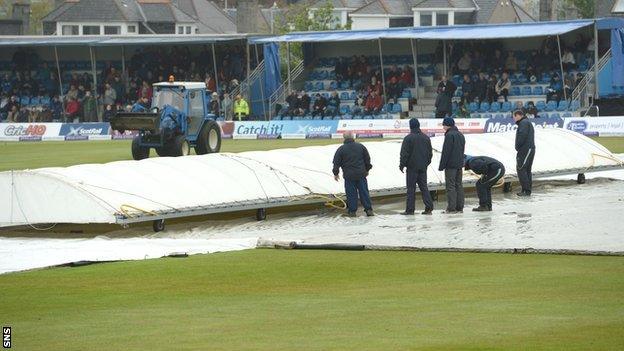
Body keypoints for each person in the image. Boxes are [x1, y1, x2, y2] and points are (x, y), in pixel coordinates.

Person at [332, 132, 374, 217]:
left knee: (351, 194)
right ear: (353, 137)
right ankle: (369, 210)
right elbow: (367, 160)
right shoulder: (361, 146)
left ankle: (352, 211)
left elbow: (336, 163)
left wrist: (336, 173)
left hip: (349, 175)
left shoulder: (341, 149)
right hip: (361, 174)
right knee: (364, 192)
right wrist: (367, 170)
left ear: (344, 138)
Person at [399, 118, 434, 215]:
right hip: (423, 167)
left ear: (410, 126)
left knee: (411, 189)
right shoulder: (426, 138)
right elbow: (430, 154)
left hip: (412, 168)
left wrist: (402, 165)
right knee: (424, 188)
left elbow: (404, 154)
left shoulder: (408, 138)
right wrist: (426, 163)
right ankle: (429, 207)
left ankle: (410, 209)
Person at [438, 117, 465, 213]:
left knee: (450, 186)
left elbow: (446, 152)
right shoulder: (461, 135)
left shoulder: (449, 135)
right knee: (459, 185)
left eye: (443, 125)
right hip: (459, 164)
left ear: (447, 125)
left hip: (450, 165)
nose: (443, 127)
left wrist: (441, 166)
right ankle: (460, 206)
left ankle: (451, 207)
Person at [513, 110, 535, 197]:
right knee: (527, 170)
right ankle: (527, 190)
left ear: (518, 115)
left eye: (514, 116)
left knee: (521, 168)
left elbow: (522, 136)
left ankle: (526, 190)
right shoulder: (526, 122)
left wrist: (517, 147)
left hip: (525, 149)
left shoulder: (523, 123)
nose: (514, 119)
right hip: (529, 148)